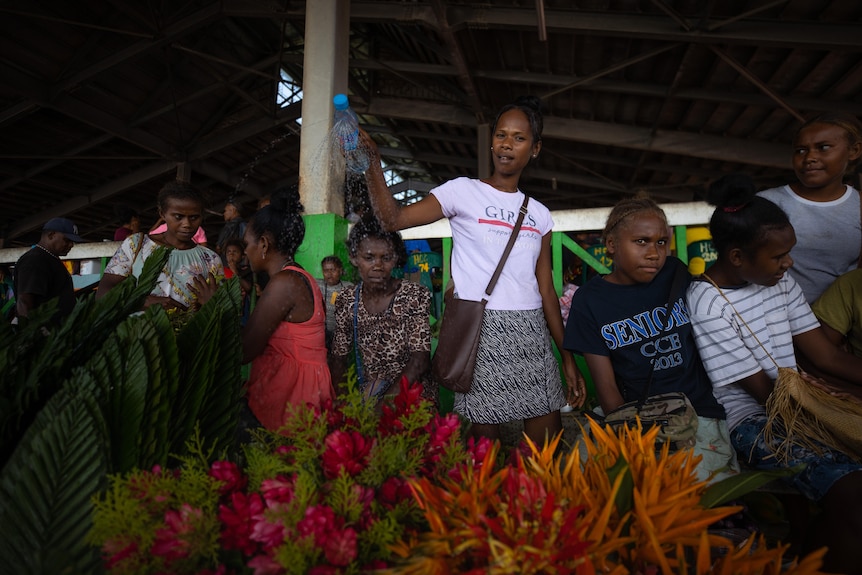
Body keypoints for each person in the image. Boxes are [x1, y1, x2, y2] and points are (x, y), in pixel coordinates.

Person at [361, 95, 584, 446]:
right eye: (501, 135)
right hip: (482, 330)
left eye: (519, 138)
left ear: (535, 148)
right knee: (486, 449)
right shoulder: (462, 192)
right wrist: (374, 163)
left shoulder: (539, 214)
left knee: (546, 446)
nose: (506, 144)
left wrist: (566, 356)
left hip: (531, 331)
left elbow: (546, 289)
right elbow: (393, 219)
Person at [687, 173, 862, 574]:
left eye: (789, 252)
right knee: (854, 496)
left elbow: (826, 356)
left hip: (796, 404)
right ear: (737, 258)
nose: (790, 263)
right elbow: (765, 395)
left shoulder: (779, 283)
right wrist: (832, 410)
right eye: (779, 256)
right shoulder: (707, 304)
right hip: (754, 420)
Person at [563, 195, 738, 482]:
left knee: (695, 496)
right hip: (633, 413)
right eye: (641, 242)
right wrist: (632, 438)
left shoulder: (674, 273)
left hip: (697, 412)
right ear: (611, 245)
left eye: (661, 242)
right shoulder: (591, 300)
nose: (654, 253)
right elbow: (606, 385)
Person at [195, 186, 332, 431]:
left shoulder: (284, 283)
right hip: (302, 388)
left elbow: (245, 349)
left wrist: (215, 307)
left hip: (292, 397)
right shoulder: (299, 276)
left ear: (265, 245)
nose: (245, 252)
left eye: (247, 244)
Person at [328, 217, 435, 406]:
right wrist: (343, 400)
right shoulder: (347, 300)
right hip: (371, 394)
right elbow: (339, 357)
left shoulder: (414, 296)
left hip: (412, 395)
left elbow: (419, 359)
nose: (377, 266)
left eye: (385, 258)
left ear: (395, 259)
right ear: (354, 258)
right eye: (368, 258)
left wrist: (386, 402)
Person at [758, 112, 862, 303]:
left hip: (840, 322)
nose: (810, 158)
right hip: (777, 319)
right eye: (801, 150)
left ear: (854, 151)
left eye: (823, 148)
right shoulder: (767, 203)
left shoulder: (859, 206)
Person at [96, 180, 223, 311]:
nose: (187, 224)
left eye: (194, 217)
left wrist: (211, 304)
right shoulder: (136, 245)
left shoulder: (210, 259)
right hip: (139, 330)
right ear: (162, 214)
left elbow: (222, 306)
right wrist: (141, 301)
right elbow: (102, 294)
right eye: (178, 217)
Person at [14, 217, 82, 321]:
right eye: (67, 240)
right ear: (51, 235)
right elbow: (24, 301)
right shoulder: (35, 260)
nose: (71, 245)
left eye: (72, 242)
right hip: (46, 332)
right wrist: (34, 329)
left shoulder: (51, 258)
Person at [316, 255, 353, 351]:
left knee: (338, 359)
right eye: (326, 270)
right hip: (321, 333)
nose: (329, 274)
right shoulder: (317, 284)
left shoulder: (348, 287)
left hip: (340, 333)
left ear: (340, 271)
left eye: (333, 270)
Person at [223, 238, 254, 326]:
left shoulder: (246, 271)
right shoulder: (222, 271)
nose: (231, 254)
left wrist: (235, 272)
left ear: (242, 256)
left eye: (235, 252)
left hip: (242, 311)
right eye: (228, 252)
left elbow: (248, 287)